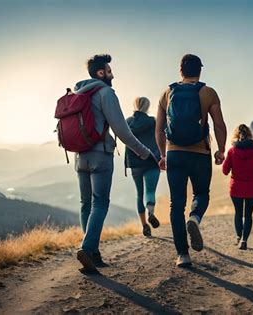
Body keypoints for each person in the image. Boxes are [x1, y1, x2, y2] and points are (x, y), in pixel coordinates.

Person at [73, 54, 153, 273]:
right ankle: (88, 249)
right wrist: (145, 153)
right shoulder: (105, 93)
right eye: (109, 71)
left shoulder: (79, 92)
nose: (112, 74)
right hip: (101, 155)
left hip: (80, 156)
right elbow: (122, 131)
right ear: (101, 73)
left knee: (85, 204)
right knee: (100, 203)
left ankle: (93, 253)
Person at [156, 54, 227, 267]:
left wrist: (162, 155)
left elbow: (159, 129)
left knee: (176, 204)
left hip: (175, 154)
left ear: (181, 71)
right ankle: (195, 217)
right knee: (201, 194)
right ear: (200, 71)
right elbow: (219, 125)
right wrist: (221, 150)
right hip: (200, 153)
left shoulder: (167, 93)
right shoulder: (208, 92)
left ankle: (182, 255)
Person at [222, 124, 253, 250]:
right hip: (251, 189)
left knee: (238, 213)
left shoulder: (232, 151)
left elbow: (225, 170)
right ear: (249, 135)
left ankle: (238, 236)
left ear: (236, 135)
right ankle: (244, 240)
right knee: (248, 215)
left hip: (236, 188)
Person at [125, 97, 161, 237]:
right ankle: (151, 213)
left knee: (139, 194)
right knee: (150, 191)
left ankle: (144, 225)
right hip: (151, 160)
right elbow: (161, 137)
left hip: (134, 163)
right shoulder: (153, 121)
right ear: (148, 107)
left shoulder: (127, 122)